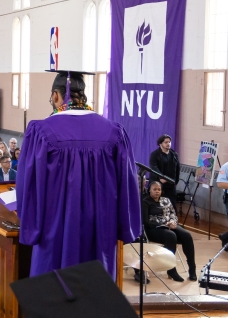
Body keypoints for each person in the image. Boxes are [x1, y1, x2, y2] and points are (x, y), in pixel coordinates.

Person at [16, 70, 140, 278]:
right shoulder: (114, 132)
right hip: (101, 233)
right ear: (83, 96)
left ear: (56, 96)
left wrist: (31, 227)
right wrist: (122, 227)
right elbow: (128, 183)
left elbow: (28, 185)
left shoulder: (41, 131)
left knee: (53, 294)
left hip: (54, 233)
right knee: (94, 295)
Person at [142, 181, 196, 281]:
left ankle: (192, 268)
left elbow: (173, 213)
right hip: (154, 228)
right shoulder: (145, 202)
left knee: (187, 235)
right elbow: (146, 221)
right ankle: (171, 268)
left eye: (159, 189)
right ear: (149, 190)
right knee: (171, 236)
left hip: (170, 225)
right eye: (154, 189)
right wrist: (162, 224)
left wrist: (173, 222)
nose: (157, 191)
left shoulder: (166, 200)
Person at [149, 134, 181, 210]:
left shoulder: (174, 154)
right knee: (158, 206)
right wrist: (161, 177)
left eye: (169, 142)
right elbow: (154, 167)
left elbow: (178, 168)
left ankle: (173, 221)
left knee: (171, 205)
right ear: (160, 144)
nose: (168, 144)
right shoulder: (154, 154)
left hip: (170, 184)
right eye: (166, 142)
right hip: (158, 183)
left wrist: (176, 181)